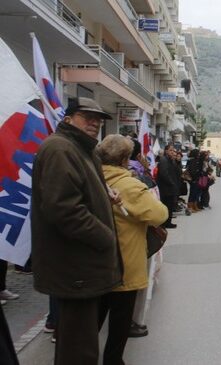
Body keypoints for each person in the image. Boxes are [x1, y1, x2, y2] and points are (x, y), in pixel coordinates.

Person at [31, 97, 122, 364]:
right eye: (87, 116)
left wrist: (106, 194)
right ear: (68, 119)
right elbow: (64, 209)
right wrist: (106, 236)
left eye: (99, 118)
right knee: (78, 347)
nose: (95, 122)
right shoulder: (60, 148)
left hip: (81, 263)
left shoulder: (81, 148)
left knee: (77, 341)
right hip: (74, 264)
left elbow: (80, 192)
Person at [98, 135, 168, 365]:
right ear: (125, 159)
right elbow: (159, 215)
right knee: (120, 322)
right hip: (125, 261)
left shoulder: (92, 179)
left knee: (94, 318)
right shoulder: (130, 185)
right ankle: (113, 361)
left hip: (96, 261)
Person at [157, 145, 179, 228]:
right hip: (166, 188)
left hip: (171, 188)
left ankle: (168, 222)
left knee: (170, 206)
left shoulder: (171, 160)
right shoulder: (163, 160)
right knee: (166, 206)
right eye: (170, 150)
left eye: (173, 151)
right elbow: (164, 174)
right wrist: (172, 183)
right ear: (166, 151)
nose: (173, 152)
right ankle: (165, 223)